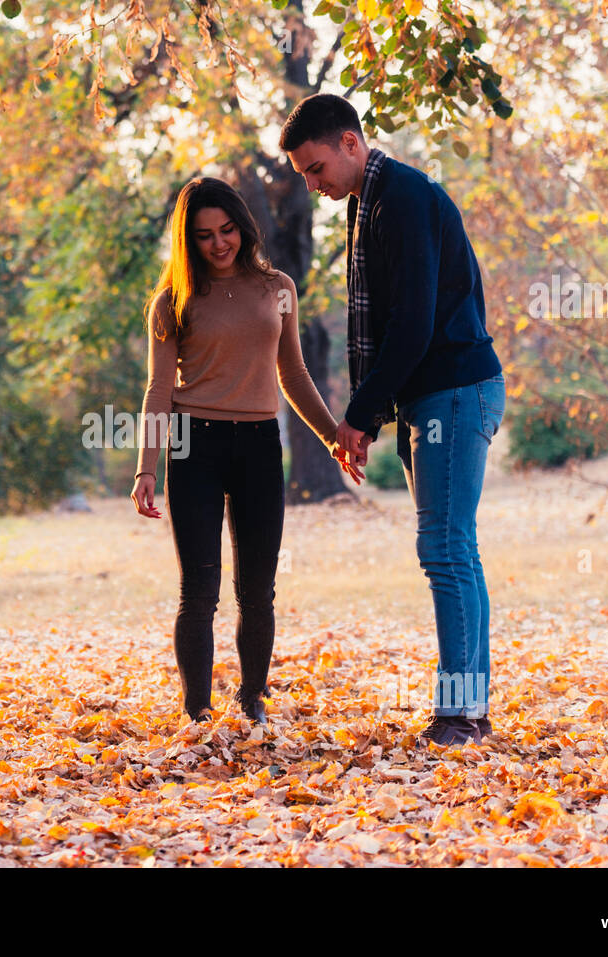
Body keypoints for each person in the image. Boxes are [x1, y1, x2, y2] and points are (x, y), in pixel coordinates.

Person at [281, 93, 506, 748]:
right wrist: (372, 416)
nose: (312, 184)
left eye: (316, 167)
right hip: (431, 395)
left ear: (351, 143)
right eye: (303, 175)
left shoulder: (401, 197)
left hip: (455, 389)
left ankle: (461, 713)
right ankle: (471, 708)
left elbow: (411, 323)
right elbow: (389, 329)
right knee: (453, 546)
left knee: (444, 545)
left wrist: (356, 415)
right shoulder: (369, 202)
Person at [130, 176, 361, 727]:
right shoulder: (173, 302)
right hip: (193, 447)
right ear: (188, 240)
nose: (219, 244)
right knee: (199, 590)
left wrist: (332, 436)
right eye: (205, 235)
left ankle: (252, 701)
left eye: (227, 230)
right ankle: (198, 715)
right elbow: (158, 389)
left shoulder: (278, 287)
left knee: (257, 589)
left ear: (243, 227)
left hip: (259, 445)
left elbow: (294, 372)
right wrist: (146, 468)